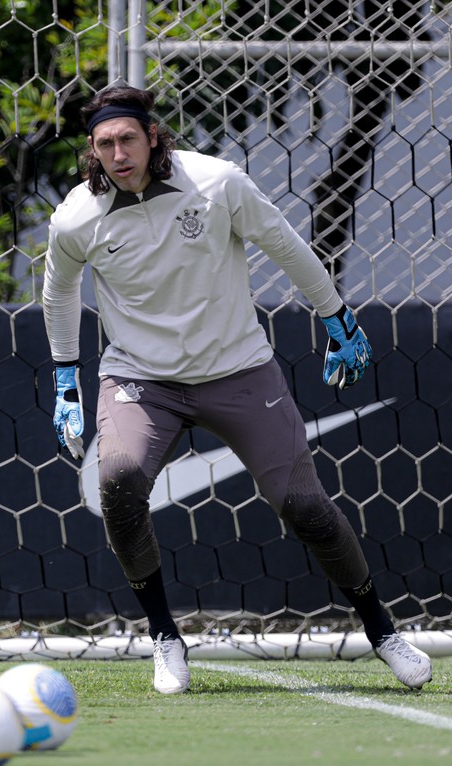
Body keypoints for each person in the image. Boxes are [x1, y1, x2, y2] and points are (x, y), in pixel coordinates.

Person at [42, 86, 432, 694]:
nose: (118, 153)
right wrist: (66, 377)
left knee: (305, 507)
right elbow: (58, 291)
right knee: (116, 482)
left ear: (152, 137)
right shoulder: (75, 216)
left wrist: (337, 318)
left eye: (128, 139)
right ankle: (165, 639)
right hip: (141, 380)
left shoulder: (218, 183)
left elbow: (283, 244)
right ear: (92, 151)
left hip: (239, 369)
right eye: (104, 144)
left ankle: (383, 633)